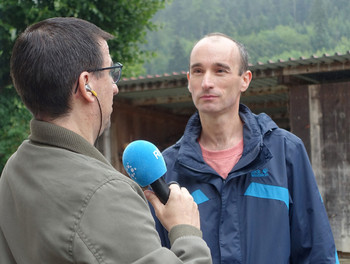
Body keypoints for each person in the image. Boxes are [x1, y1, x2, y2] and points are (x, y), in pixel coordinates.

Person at [0, 17, 212, 264]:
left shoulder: (14, 169)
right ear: (86, 85)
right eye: (110, 72)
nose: (115, 87)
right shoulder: (106, 194)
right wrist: (186, 232)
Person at [151, 33, 339, 264]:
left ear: (245, 80)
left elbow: (317, 252)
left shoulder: (285, 152)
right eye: (198, 71)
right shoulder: (166, 169)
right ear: (189, 80)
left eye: (220, 70)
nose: (207, 82)